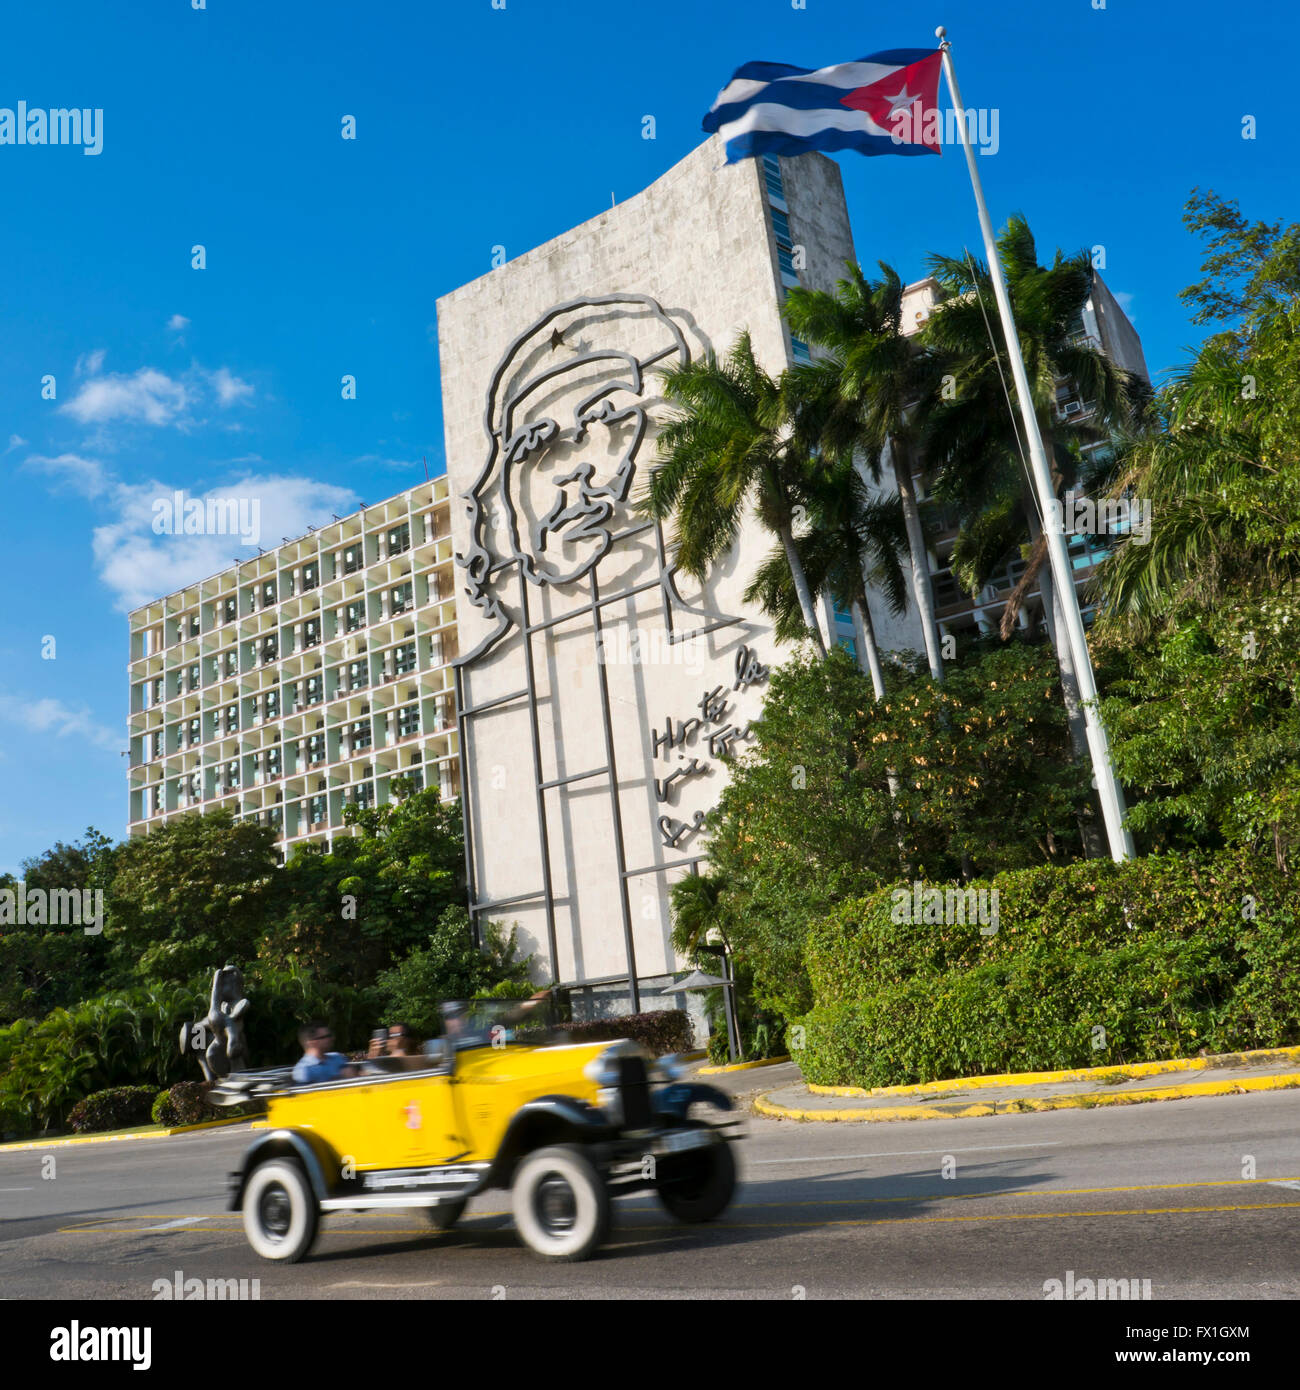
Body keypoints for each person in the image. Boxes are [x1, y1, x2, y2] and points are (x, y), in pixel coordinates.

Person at [292, 1023, 358, 1085]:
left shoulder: (337, 1057)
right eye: (326, 1036)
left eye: (331, 1035)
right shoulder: (303, 1070)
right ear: (312, 1042)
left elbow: (353, 1079)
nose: (332, 1038)